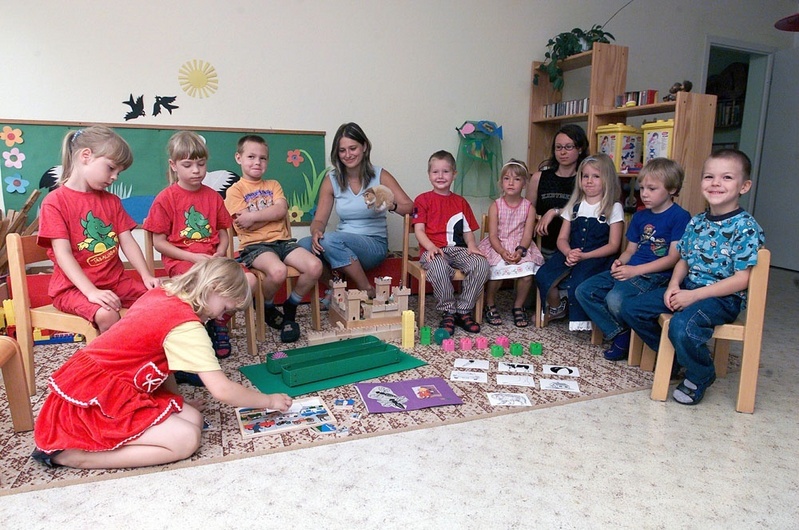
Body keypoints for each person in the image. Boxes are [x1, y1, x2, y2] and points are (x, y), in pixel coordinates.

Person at [31, 258, 293, 469]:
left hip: (112, 386)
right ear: (215, 289)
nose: (223, 316)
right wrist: (269, 401)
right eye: (226, 308)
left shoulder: (164, 293)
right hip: (93, 400)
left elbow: (161, 363)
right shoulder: (187, 326)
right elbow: (222, 390)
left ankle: (91, 447)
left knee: (193, 418)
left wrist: (174, 401)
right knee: (185, 440)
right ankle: (74, 456)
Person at [619, 149, 765, 405]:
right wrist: (673, 286)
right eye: (709, 177)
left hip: (722, 298)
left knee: (681, 326)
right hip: (688, 287)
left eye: (727, 178)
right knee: (631, 307)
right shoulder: (697, 222)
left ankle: (701, 373)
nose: (716, 183)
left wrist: (694, 296)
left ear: (745, 186)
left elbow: (743, 279)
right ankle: (677, 358)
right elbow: (684, 259)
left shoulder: (746, 227)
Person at [144, 130, 256, 359]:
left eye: (201, 164)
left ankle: (219, 321)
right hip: (184, 263)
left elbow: (224, 232)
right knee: (198, 287)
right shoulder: (166, 198)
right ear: (173, 165)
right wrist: (192, 258)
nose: (196, 171)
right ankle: (199, 333)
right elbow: (159, 242)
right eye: (187, 165)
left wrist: (220, 251)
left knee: (250, 280)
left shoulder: (213, 197)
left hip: (214, 260)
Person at [38, 125, 159, 333]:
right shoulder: (55, 202)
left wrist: (146, 275)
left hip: (115, 282)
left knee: (159, 300)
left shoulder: (112, 201)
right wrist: (91, 292)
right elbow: (63, 254)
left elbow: (127, 241)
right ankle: (111, 363)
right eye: (111, 168)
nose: (115, 177)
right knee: (107, 313)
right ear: (86, 156)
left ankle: (144, 354)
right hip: (72, 289)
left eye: (118, 173)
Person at [574, 158, 691, 360]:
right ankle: (620, 333)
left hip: (656, 275)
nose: (644, 194)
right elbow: (630, 250)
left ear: (672, 189)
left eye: (652, 189)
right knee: (584, 290)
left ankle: (625, 337)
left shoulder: (680, 216)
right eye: (642, 188)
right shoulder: (639, 217)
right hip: (632, 269)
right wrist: (621, 261)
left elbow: (673, 258)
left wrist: (635, 271)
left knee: (615, 299)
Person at [298, 122, 413, 299]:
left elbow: (409, 207)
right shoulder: (332, 180)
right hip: (339, 243)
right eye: (342, 150)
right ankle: (335, 288)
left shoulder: (380, 175)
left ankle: (366, 289)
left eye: (353, 148)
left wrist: (391, 205)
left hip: (373, 246)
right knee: (302, 246)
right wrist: (316, 231)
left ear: (364, 147)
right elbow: (319, 220)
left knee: (331, 240)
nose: (348, 155)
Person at [225, 135, 322, 343]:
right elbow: (243, 222)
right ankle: (266, 305)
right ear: (238, 158)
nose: (257, 162)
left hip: (283, 242)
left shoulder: (273, 184)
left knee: (314, 266)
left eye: (262, 158)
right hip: (255, 246)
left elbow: (281, 210)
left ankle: (291, 305)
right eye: (251, 156)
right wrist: (270, 215)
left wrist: (254, 217)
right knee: (278, 272)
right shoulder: (235, 190)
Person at [535, 154, 624, 331]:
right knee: (543, 275)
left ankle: (585, 320)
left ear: (608, 179)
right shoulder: (575, 205)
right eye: (585, 176)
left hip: (597, 257)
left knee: (580, 282)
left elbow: (613, 245)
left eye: (596, 176)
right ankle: (557, 307)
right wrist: (568, 252)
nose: (589, 181)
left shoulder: (613, 207)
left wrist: (585, 256)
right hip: (571, 252)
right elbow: (562, 238)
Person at [413, 150, 489, 336]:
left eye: (446, 171)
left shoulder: (460, 202)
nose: (440, 176)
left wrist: (472, 246)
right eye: (435, 172)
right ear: (429, 175)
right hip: (433, 250)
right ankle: (449, 310)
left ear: (454, 174)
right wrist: (430, 247)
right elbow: (419, 230)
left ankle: (463, 309)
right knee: (438, 267)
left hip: (458, 249)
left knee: (481, 264)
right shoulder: (422, 200)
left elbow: (468, 231)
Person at [477, 158, 544, 327]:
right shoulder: (496, 206)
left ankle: (518, 306)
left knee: (527, 273)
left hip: (520, 246)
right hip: (497, 245)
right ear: (501, 183)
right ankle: (490, 303)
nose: (511, 183)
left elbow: (528, 235)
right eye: (507, 178)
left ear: (524, 184)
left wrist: (520, 251)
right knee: (497, 270)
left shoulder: (529, 207)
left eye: (517, 179)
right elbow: (492, 235)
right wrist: (501, 251)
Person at [525, 124, 589, 258]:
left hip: (574, 250)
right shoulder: (538, 177)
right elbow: (526, 214)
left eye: (568, 147)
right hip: (541, 248)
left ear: (580, 149)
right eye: (558, 147)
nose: (563, 152)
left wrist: (555, 212)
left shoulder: (586, 179)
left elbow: (588, 211)